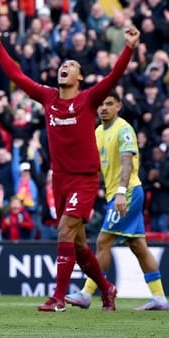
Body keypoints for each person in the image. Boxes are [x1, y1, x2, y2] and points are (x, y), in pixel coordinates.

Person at [0, 25, 140, 312]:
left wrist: (129, 47)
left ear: (80, 77)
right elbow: (17, 76)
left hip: (84, 179)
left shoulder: (89, 99)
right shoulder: (48, 98)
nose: (64, 67)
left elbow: (114, 75)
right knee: (79, 245)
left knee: (64, 230)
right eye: (62, 64)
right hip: (59, 179)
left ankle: (58, 298)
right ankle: (107, 289)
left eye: (70, 65)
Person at [65, 92, 168, 311]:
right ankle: (159, 297)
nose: (103, 108)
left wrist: (121, 192)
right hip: (115, 193)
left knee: (103, 241)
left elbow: (126, 161)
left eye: (109, 104)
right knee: (138, 246)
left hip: (127, 191)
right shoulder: (98, 132)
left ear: (118, 106)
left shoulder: (123, 129)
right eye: (101, 104)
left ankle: (87, 293)